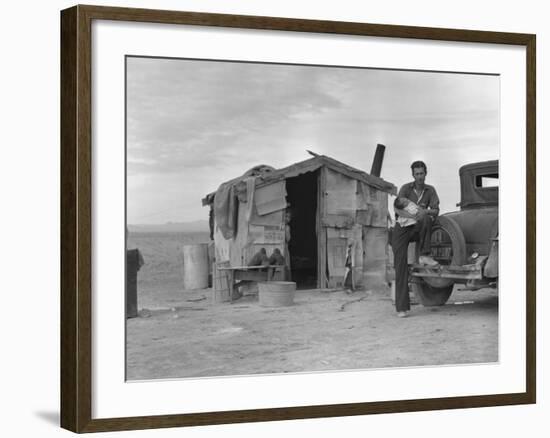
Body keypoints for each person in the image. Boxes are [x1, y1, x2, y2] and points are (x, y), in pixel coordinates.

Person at [392, 161, 440, 318]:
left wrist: (422, 212)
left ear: (426, 173)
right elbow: (398, 209)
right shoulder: (405, 189)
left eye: (422, 173)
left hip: (418, 229)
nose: (419, 176)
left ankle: (425, 254)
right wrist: (414, 215)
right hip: (402, 229)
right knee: (400, 266)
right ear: (413, 175)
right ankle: (402, 308)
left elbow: (435, 210)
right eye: (417, 173)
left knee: (426, 217)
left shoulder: (430, 190)